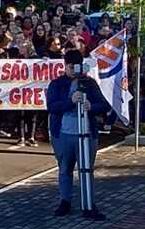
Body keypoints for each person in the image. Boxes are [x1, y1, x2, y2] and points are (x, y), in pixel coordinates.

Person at [46, 49, 110, 218]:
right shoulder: (57, 84)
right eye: (70, 66)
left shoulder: (89, 83)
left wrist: (92, 106)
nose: (74, 70)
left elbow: (103, 105)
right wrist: (70, 101)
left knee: (86, 169)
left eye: (77, 66)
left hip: (87, 134)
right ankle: (65, 201)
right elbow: (52, 107)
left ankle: (89, 203)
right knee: (65, 168)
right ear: (65, 66)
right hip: (63, 134)